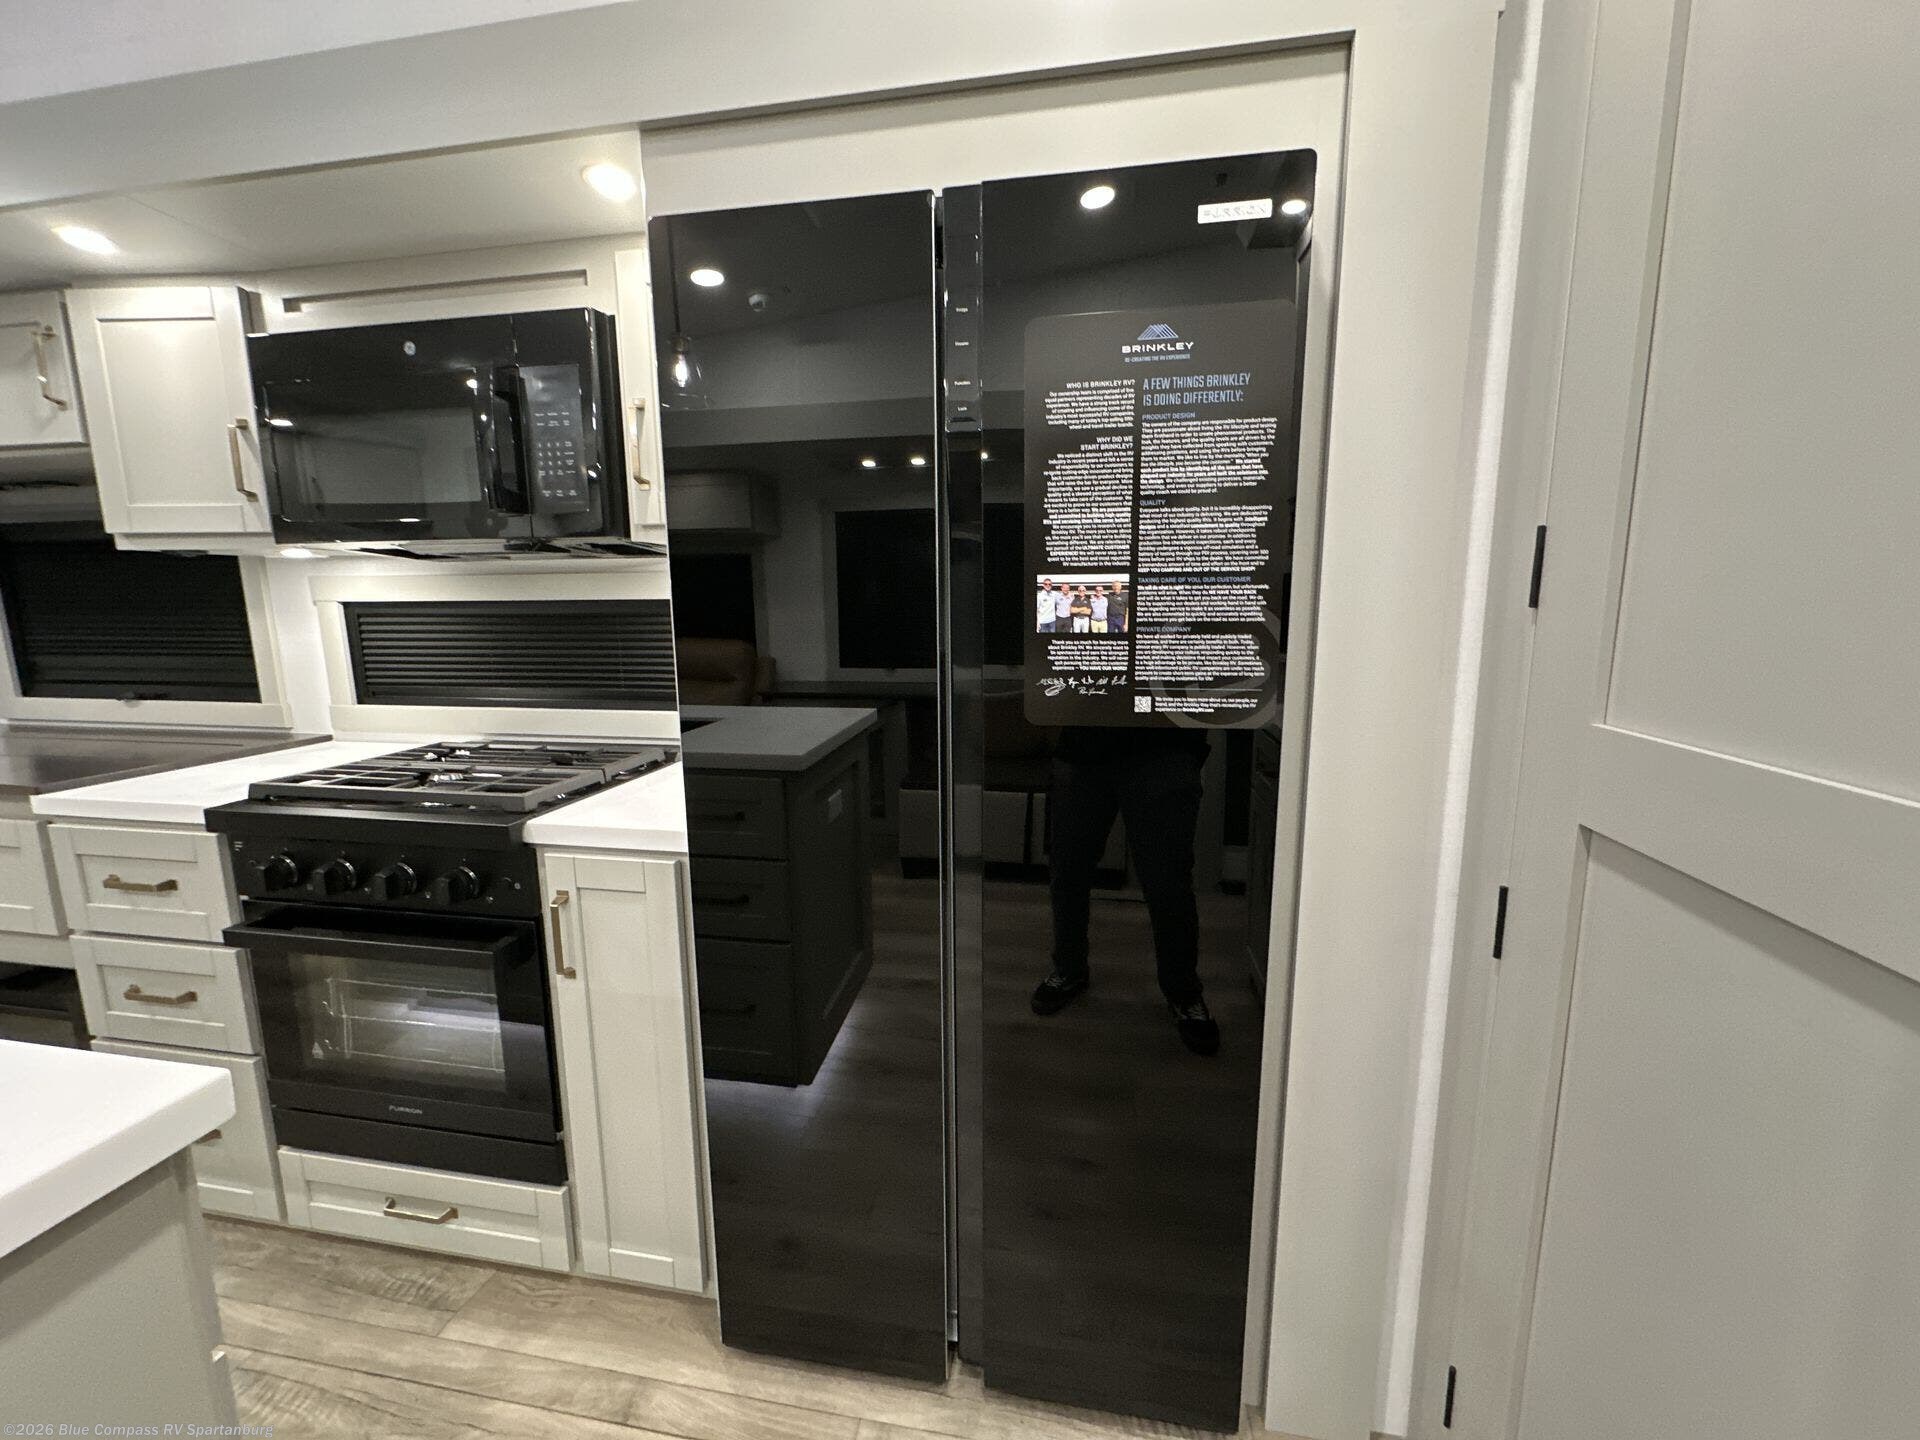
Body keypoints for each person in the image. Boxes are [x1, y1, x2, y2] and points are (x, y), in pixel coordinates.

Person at [1030, 724, 1218, 1054]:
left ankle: (1183, 992)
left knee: (1168, 884)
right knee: (1068, 869)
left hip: (1163, 747)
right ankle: (1069, 968)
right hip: (1085, 746)